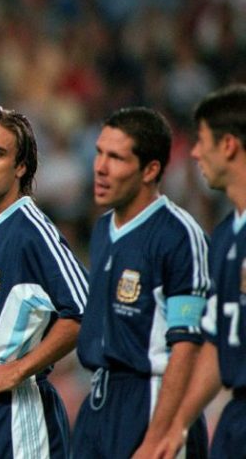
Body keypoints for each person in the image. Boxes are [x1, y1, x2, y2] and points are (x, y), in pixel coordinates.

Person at [0, 105, 89, 458]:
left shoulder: (31, 231)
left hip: (17, 417)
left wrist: (19, 370)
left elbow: (84, 311)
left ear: (21, 166)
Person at [71, 107, 209, 458]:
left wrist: (156, 437)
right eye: (99, 152)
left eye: (116, 158)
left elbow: (187, 346)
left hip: (151, 400)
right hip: (100, 401)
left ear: (150, 170)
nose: (100, 167)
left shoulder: (178, 235)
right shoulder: (103, 228)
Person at [154, 85, 246, 459]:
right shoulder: (224, 236)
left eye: (201, 140)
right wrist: (177, 425)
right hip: (236, 416)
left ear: (228, 145)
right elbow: (214, 342)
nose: (193, 152)